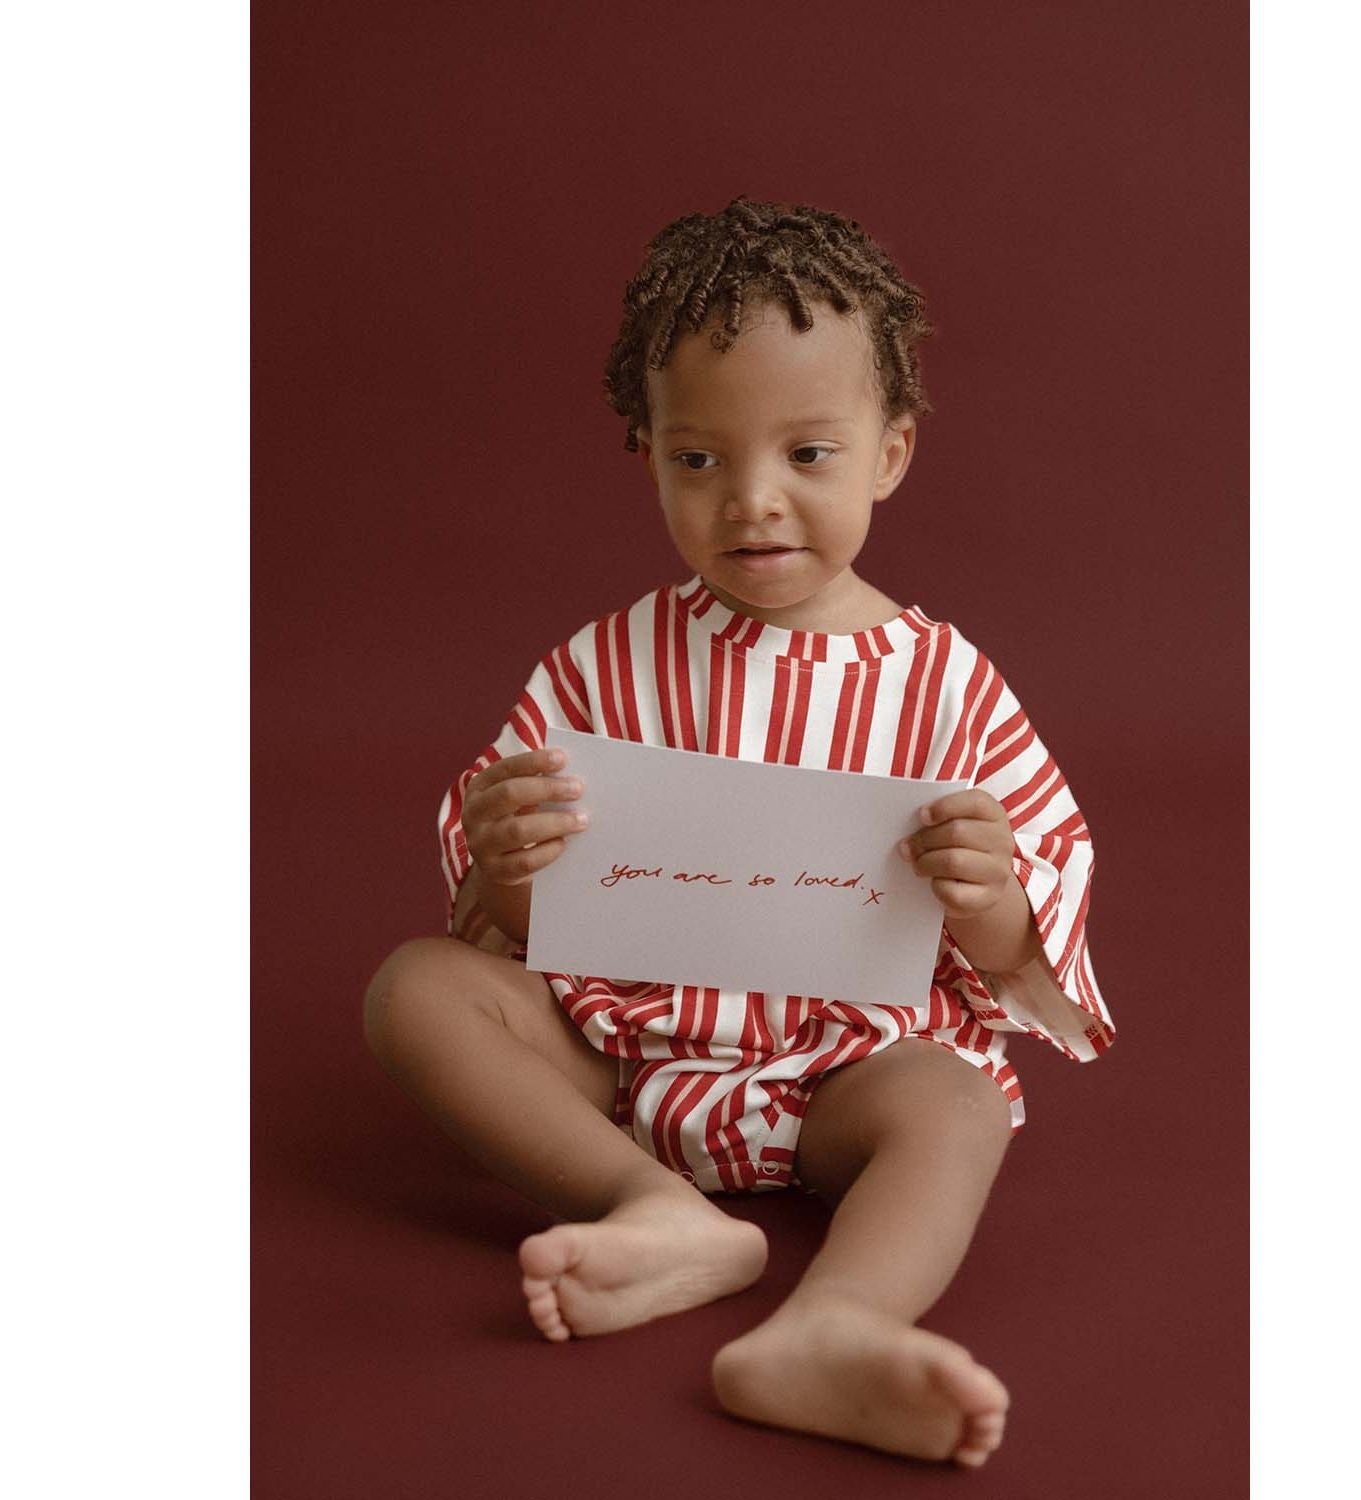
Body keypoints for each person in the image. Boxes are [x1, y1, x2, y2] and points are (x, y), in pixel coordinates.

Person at [363, 195, 1116, 1470]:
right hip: (625, 1059)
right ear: (647, 453)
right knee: (417, 989)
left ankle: (830, 1328)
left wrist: (989, 893)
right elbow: (518, 922)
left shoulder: (946, 686)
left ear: (891, 453)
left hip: (843, 1075)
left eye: (808, 454)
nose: (752, 501)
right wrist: (504, 858)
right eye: (698, 459)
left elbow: (1032, 949)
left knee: (959, 1102)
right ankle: (654, 1213)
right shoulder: (603, 666)